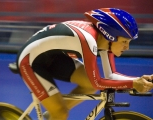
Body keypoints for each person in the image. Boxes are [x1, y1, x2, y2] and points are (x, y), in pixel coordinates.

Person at [16, 8, 153, 120]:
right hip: (29, 62)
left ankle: (53, 115)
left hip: (54, 57)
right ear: (110, 35)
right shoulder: (88, 39)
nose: (127, 47)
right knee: (61, 113)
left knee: (87, 85)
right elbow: (97, 83)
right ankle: (57, 114)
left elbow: (111, 75)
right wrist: (134, 84)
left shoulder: (105, 40)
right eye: (124, 41)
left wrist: (138, 80)